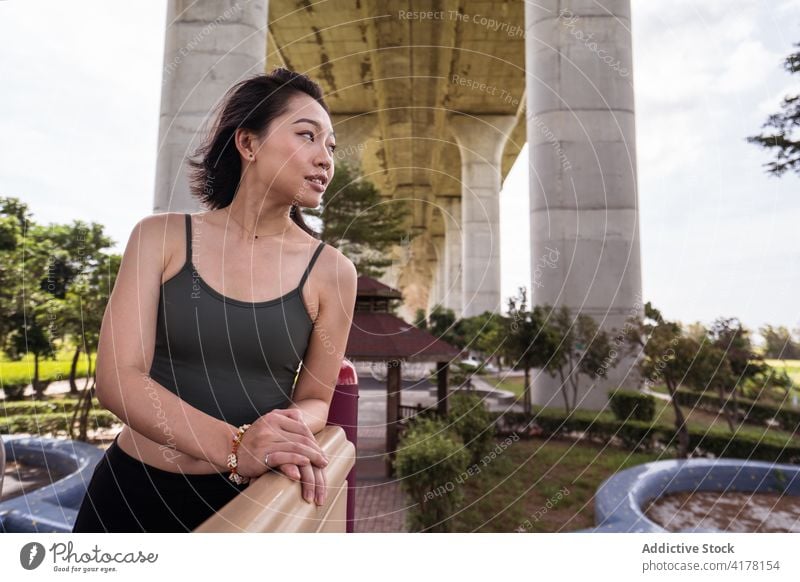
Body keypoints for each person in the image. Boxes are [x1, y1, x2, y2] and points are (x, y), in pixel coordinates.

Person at [72, 68, 358, 532]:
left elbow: (315, 400)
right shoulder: (159, 237)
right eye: (307, 135)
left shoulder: (334, 273)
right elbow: (119, 378)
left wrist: (282, 433)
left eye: (331, 146)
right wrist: (236, 446)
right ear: (249, 144)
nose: (325, 158)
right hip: (127, 494)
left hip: (246, 506)